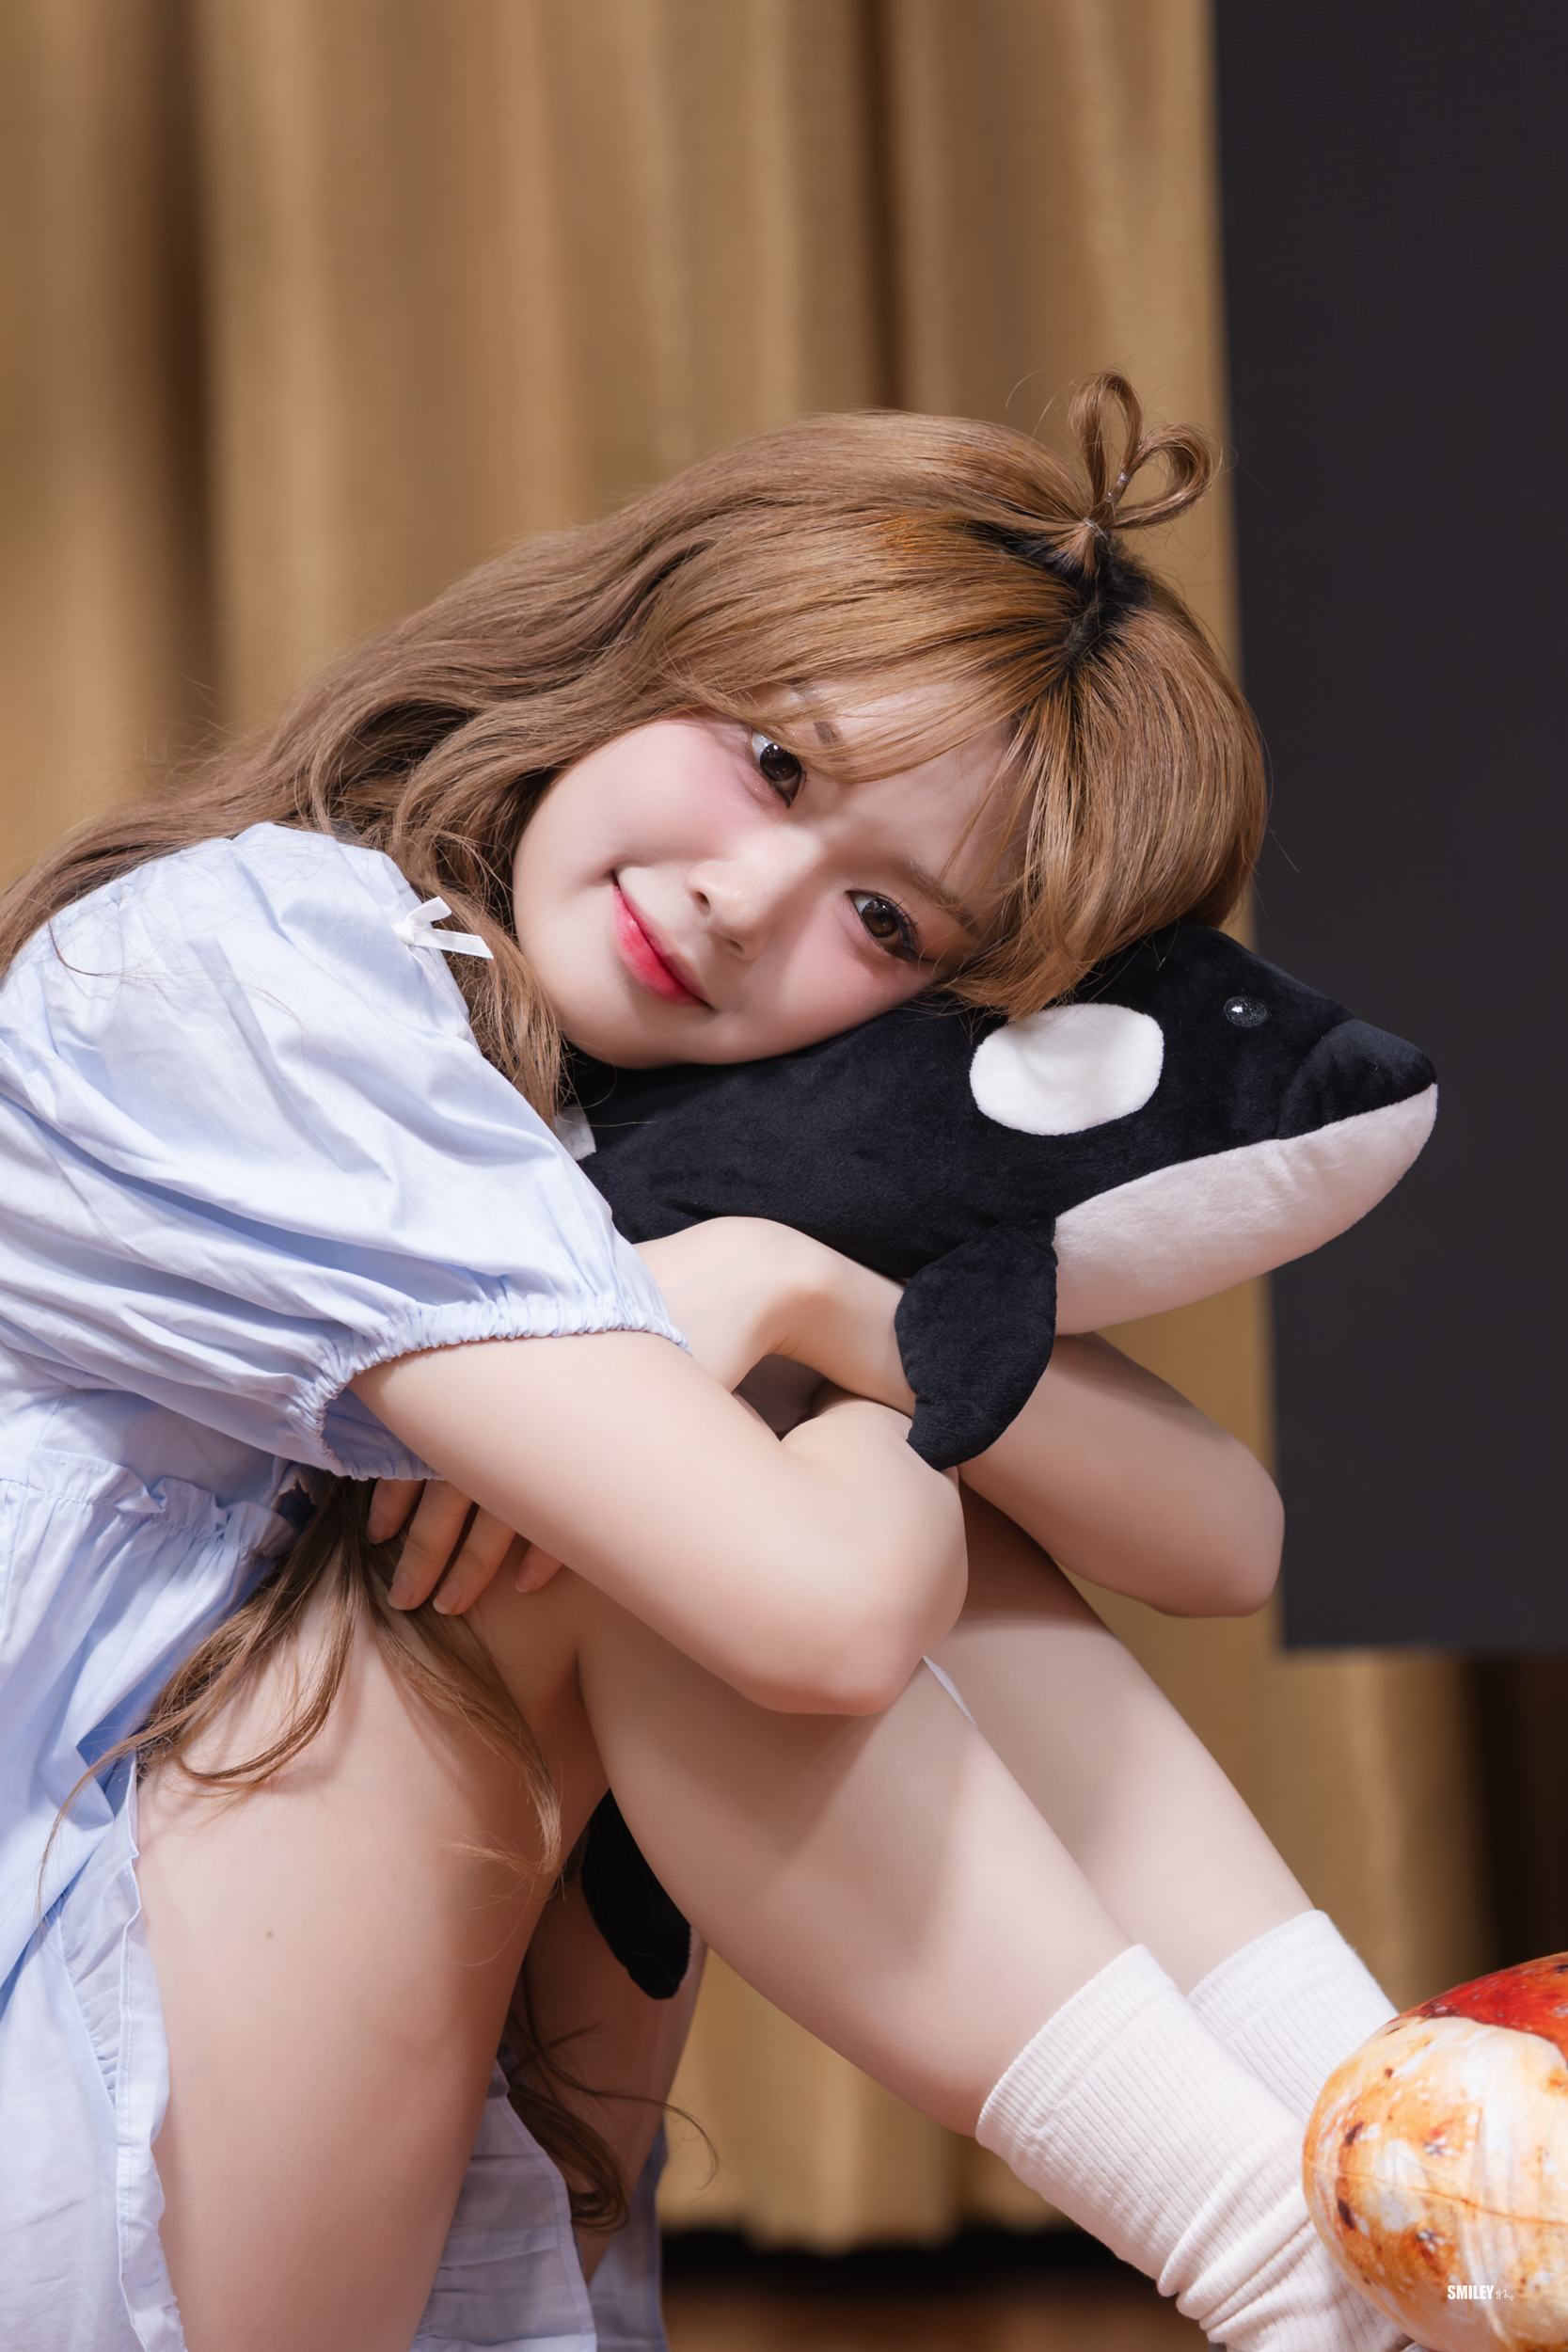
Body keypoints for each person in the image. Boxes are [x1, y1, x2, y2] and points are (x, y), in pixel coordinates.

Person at [0, 377, 1405, 2352]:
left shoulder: (646, 1150)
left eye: (884, 916)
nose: (749, 902)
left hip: (270, 2109)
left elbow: (1221, 1536)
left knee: (823, 1452)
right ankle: (1307, 2268)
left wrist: (801, 1287)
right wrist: (812, 1370)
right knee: (691, 1533)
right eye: (771, 759)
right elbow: (816, 1616)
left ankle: (1399, 2153)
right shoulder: (254, 967)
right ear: (636, 646)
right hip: (71, 2123)